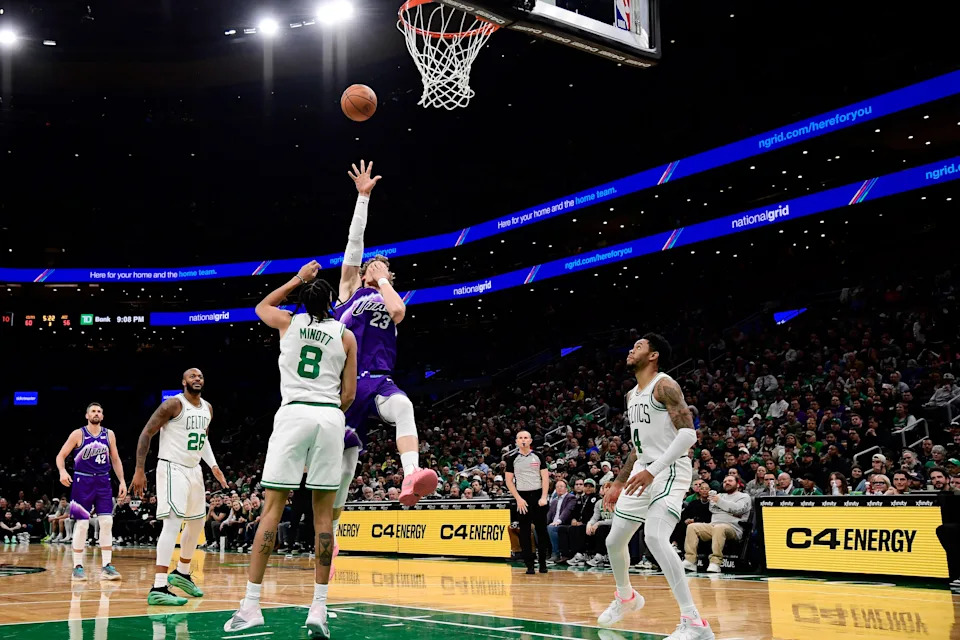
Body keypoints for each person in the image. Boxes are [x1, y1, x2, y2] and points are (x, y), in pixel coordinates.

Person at [224, 262, 357, 636]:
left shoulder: (288, 322)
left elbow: (261, 306)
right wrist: (329, 415)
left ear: (301, 300)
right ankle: (318, 607)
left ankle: (251, 606)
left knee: (271, 509)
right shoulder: (346, 336)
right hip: (330, 417)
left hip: (293, 413)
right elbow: (349, 394)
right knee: (323, 517)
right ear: (333, 303)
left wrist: (299, 278)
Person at [333, 160, 438, 507]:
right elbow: (354, 243)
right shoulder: (349, 290)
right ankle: (328, 533)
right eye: (376, 269)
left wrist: (382, 281)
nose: (382, 271)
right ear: (363, 273)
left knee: (405, 406)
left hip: (379, 379)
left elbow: (397, 312)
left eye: (387, 270)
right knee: (346, 468)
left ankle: (411, 475)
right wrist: (363, 198)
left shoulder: (386, 293)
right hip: (347, 383)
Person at [598, 334, 714, 638]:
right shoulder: (631, 395)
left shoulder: (665, 385)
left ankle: (695, 623)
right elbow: (639, 445)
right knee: (613, 541)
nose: (631, 349)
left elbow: (689, 436)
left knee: (655, 537)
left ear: (654, 355)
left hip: (670, 469)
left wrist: (653, 471)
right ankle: (626, 597)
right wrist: (619, 481)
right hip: (643, 469)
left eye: (638, 346)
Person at [130, 369, 229, 605]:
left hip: (194, 469)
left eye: (201, 376)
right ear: (183, 382)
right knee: (173, 524)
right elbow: (146, 433)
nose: (197, 379)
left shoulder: (208, 408)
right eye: (192, 376)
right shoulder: (173, 405)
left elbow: (203, 439)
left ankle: (182, 572)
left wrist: (214, 466)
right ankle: (159, 586)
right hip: (172, 467)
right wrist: (140, 469)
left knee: (196, 523)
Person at [55, 402, 127, 581]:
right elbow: (60, 456)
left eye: (99, 411)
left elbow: (116, 459)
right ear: (87, 415)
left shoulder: (109, 434)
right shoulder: (78, 433)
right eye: (93, 411)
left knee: (107, 522)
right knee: (82, 524)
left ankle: (106, 566)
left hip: (103, 480)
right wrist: (62, 471)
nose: (96, 414)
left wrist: (123, 481)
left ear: (102, 416)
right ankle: (77, 567)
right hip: (82, 481)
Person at [683, 475, 751, 573]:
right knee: (692, 527)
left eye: (730, 481)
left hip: (733, 528)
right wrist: (729, 510)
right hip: (713, 525)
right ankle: (690, 560)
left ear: (737, 484)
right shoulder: (720, 495)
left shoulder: (744, 496)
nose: (726, 483)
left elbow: (738, 509)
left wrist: (720, 502)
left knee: (719, 528)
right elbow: (713, 509)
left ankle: (715, 562)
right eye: (724, 481)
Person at [504, 430, 551, 574]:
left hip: (537, 495)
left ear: (530, 441)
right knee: (524, 531)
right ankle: (529, 564)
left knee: (541, 530)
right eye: (520, 438)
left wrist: (543, 497)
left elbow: (545, 478)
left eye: (525, 438)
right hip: (522, 496)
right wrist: (518, 498)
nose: (523, 440)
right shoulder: (512, 459)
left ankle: (543, 563)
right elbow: (509, 481)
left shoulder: (538, 456)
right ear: (516, 441)